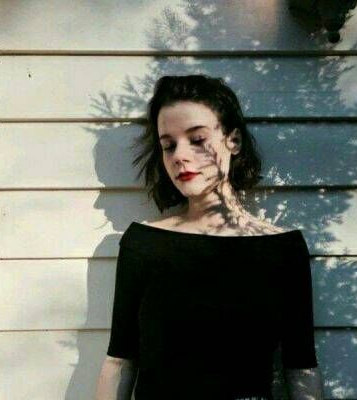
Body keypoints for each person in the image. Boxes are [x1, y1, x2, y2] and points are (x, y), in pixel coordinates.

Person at [95, 75, 325, 399]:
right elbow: (120, 360)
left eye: (197, 139)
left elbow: (300, 367)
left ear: (234, 141)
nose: (179, 156)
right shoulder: (144, 244)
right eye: (168, 145)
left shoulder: (282, 249)